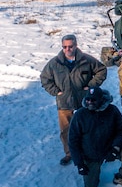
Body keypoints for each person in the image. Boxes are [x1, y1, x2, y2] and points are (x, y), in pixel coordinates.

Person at [40, 34, 107, 165]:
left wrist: (92, 86)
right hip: (64, 102)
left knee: (88, 126)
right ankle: (70, 153)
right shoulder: (54, 63)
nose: (67, 49)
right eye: (64, 47)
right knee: (66, 130)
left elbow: (101, 70)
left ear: (76, 46)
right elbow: (44, 78)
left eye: (70, 46)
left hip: (85, 101)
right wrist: (55, 91)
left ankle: (90, 151)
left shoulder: (86, 60)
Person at [67, 87, 122, 187]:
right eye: (88, 99)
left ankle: (121, 176)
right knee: (90, 186)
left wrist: (115, 148)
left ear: (101, 99)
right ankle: (94, 168)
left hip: (110, 147)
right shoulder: (80, 115)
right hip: (91, 154)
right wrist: (79, 163)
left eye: (93, 100)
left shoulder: (112, 110)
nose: (90, 102)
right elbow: (72, 141)